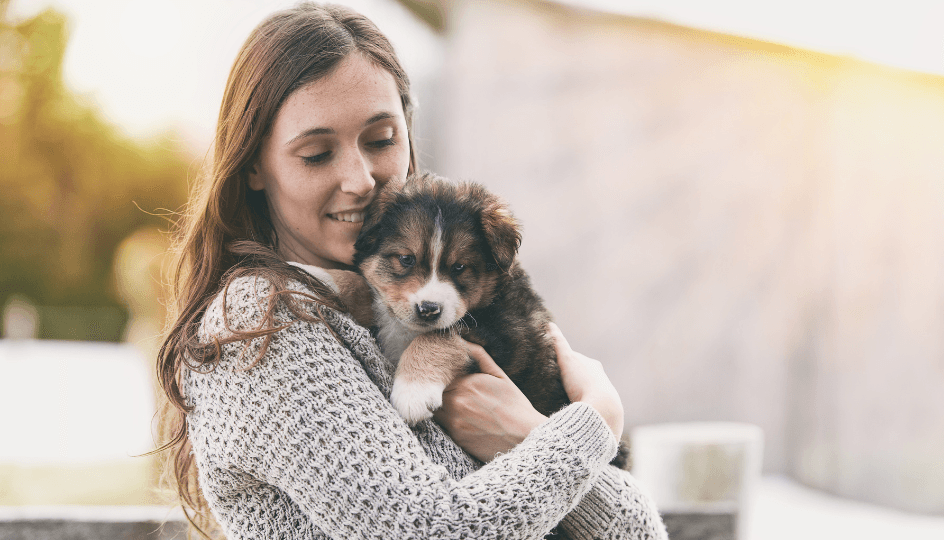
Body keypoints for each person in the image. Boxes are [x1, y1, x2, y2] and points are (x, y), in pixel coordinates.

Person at [156, 3, 668, 539]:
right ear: (254, 165)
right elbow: (429, 532)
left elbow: (633, 531)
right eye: (316, 153)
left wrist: (529, 434)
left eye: (380, 141)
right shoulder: (262, 324)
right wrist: (592, 425)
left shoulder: (375, 309)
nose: (360, 180)